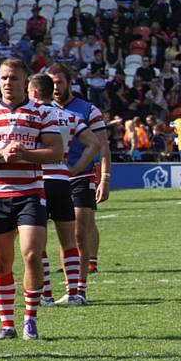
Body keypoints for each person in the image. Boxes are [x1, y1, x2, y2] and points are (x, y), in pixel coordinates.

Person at [0, 58, 64, 340]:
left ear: (25, 82)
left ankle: (30, 320)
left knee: (31, 254)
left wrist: (24, 154)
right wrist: (0, 153)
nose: (8, 83)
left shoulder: (42, 113)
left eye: (14, 78)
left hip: (31, 193)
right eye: (4, 78)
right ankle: (7, 325)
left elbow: (56, 151)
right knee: (1, 263)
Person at [47, 63, 110, 293]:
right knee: (54, 231)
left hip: (81, 176)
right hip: (52, 177)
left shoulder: (87, 110)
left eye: (59, 82)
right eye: (50, 83)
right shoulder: (42, 109)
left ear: (69, 83)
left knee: (80, 228)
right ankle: (54, 286)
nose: (54, 88)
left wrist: (105, 179)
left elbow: (102, 146)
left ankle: (79, 286)